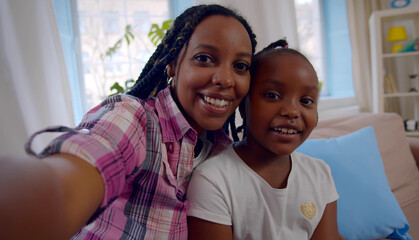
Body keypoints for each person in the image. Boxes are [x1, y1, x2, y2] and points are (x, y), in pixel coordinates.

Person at [0, 4, 257, 239]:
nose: (226, 79)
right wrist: (40, 193)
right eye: (204, 58)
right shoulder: (134, 118)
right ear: (172, 65)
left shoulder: (223, 151)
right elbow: (67, 184)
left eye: (240, 66)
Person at [187, 39, 342, 239]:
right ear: (244, 105)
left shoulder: (320, 174)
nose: (292, 111)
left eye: (306, 101)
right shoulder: (213, 180)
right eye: (273, 95)